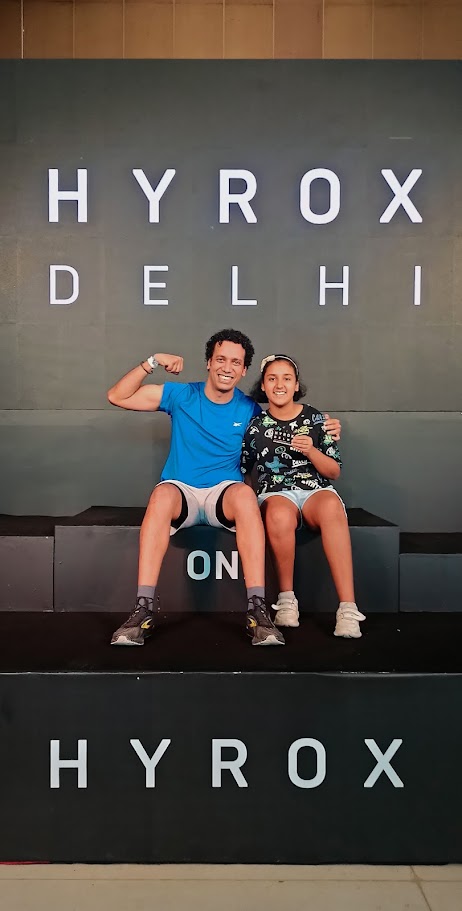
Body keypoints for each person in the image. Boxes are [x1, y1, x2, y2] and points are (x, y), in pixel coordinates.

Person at [107, 330, 342, 647]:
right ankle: (142, 611)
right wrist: (153, 361)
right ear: (209, 362)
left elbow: (287, 422)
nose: (227, 367)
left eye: (235, 362)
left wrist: (324, 427)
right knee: (161, 494)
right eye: (221, 359)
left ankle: (258, 612)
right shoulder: (181, 395)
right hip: (182, 492)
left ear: (244, 370)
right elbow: (117, 396)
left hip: (224, 495)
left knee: (245, 494)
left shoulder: (250, 410)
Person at [241, 354, 365, 638]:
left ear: (296, 385)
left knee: (331, 506)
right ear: (263, 386)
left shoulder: (316, 418)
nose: (280, 385)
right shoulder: (256, 425)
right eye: (272, 379)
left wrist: (310, 450)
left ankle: (348, 608)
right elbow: (245, 470)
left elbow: (333, 471)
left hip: (314, 491)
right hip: (275, 493)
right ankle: (287, 600)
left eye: (287, 378)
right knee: (278, 514)